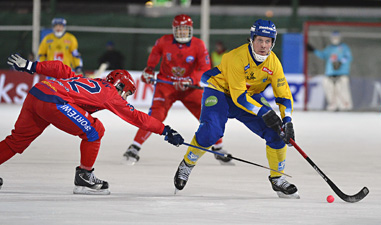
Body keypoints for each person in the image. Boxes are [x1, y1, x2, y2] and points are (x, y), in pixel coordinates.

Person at [2, 54, 184, 195]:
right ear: (120, 87)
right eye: (126, 93)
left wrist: (31, 66)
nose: (125, 98)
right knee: (95, 130)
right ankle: (84, 176)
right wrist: (165, 130)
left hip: (37, 92)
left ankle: (84, 175)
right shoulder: (111, 94)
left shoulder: (90, 80)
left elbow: (61, 69)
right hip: (54, 101)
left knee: (17, 140)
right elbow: (138, 118)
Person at [172, 19, 299, 199]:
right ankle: (187, 163)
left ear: (273, 42)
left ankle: (277, 178)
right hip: (220, 91)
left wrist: (287, 120)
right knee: (212, 132)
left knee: (276, 132)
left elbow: (284, 95)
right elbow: (239, 97)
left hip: (249, 95)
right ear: (252, 39)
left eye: (268, 41)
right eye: (260, 40)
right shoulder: (235, 57)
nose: (264, 46)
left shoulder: (274, 63)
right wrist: (264, 112)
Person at [122, 14, 229, 165]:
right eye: (180, 29)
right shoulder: (163, 41)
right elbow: (155, 54)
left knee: (208, 114)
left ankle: (218, 148)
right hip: (166, 85)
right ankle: (134, 147)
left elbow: (205, 68)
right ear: (174, 29)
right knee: (156, 116)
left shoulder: (198, 45)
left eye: (186, 29)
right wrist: (149, 69)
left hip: (189, 87)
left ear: (190, 30)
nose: (183, 32)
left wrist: (190, 80)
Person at [308, 31, 353, 111]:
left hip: (342, 73)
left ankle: (346, 105)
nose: (335, 39)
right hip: (330, 73)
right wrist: (314, 50)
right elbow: (323, 55)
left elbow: (348, 57)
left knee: (341, 89)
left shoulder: (344, 48)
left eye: (336, 37)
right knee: (329, 88)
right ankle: (333, 105)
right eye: (333, 38)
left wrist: (340, 62)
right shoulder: (329, 48)